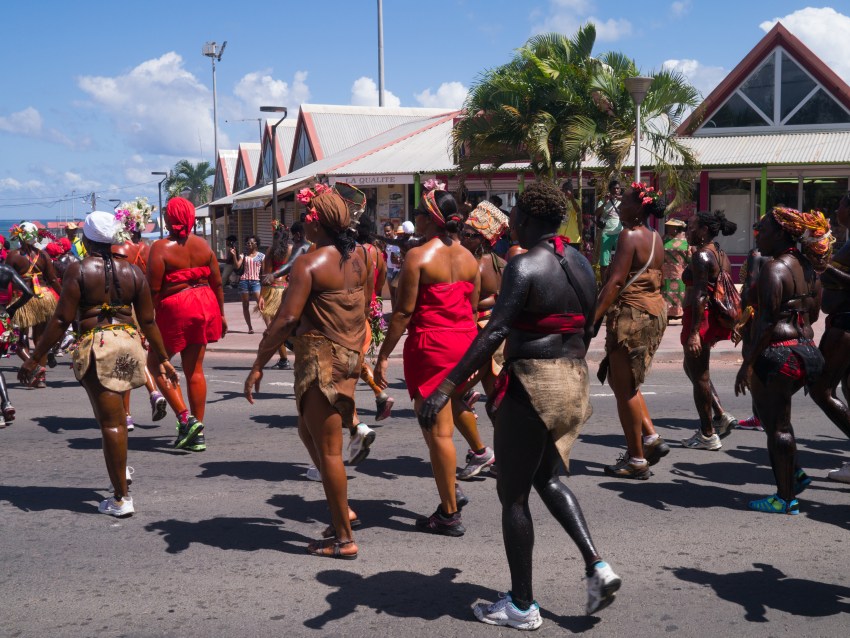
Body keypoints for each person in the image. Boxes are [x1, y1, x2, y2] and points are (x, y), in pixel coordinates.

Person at [419, 182, 621, 629]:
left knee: (513, 496)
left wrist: (446, 386)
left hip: (532, 384)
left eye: (514, 216)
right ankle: (597, 565)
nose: (510, 223)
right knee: (546, 477)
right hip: (572, 383)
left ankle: (523, 606)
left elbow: (494, 331)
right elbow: (587, 327)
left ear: (526, 219)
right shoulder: (581, 264)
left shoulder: (524, 264)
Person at [19, 211, 178, 517]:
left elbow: (62, 319)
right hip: (129, 345)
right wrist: (164, 360)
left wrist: (36, 357)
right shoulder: (133, 272)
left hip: (99, 348)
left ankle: (120, 499)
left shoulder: (79, 270)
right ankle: (120, 471)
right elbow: (148, 321)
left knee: (111, 423)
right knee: (115, 418)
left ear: (87, 238)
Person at [244, 189, 372, 559]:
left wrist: (258, 364)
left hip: (322, 362)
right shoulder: (359, 258)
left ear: (318, 223)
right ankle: (341, 509)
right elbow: (364, 305)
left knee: (330, 452)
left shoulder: (309, 264)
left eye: (308, 216)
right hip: (348, 357)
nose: (304, 222)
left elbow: (285, 319)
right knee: (307, 430)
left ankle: (344, 537)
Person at [373, 188, 481, 536]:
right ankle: (450, 488)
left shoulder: (418, 256)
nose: (416, 217)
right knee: (437, 425)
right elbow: (472, 309)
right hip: (464, 345)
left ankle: (449, 513)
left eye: (419, 212)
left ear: (430, 219)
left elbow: (403, 313)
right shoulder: (469, 258)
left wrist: (383, 355)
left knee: (438, 431)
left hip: (432, 346)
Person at [734, 206, 832, 514]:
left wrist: (748, 364)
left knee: (778, 427)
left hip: (779, 354)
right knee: (775, 419)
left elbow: (767, 322)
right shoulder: (808, 267)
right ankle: (794, 473)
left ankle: (785, 499)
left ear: (779, 234)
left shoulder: (774, 268)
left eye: (763, 230)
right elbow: (813, 314)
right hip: (807, 351)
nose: (758, 235)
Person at [594, 182, 669, 479]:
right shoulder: (656, 237)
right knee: (622, 381)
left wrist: (593, 319)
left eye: (624, 201)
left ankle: (636, 459)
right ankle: (650, 437)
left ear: (638, 207)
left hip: (632, 316)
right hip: (652, 312)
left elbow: (615, 282)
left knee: (625, 389)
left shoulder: (629, 235)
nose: (619, 206)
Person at [147, 197, 226, 451]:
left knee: (155, 363)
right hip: (205, 304)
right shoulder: (204, 245)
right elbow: (217, 283)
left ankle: (185, 419)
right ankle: (197, 431)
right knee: (195, 370)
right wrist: (222, 315)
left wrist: (149, 322)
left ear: (170, 218)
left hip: (177, 308)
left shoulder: (160, 248)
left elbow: (153, 290)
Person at [680, 211, 739, 451]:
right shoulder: (719, 253)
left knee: (700, 377)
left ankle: (707, 434)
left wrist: (695, 332)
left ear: (704, 230)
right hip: (707, 319)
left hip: (699, 320)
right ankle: (720, 415)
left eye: (691, 227)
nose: (687, 231)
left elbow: (701, 294)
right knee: (691, 368)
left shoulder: (702, 255)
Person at [112, 206, 169, 426]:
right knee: (140, 354)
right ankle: (154, 392)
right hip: (145, 306)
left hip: (125, 308)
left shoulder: (119, 248)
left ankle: (126, 414)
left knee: (124, 360)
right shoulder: (148, 249)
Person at [808, 192, 850, 483]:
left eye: (841, 205)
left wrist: (826, 267)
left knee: (821, 389)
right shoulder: (846, 240)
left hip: (846, 326)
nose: (836, 211)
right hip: (840, 321)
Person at [459, 201, 509, 416]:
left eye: (468, 235)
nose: (463, 238)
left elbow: (471, 308)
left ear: (483, 238)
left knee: (452, 393)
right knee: (495, 402)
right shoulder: (502, 263)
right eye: (462, 233)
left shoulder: (473, 265)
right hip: (498, 333)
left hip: (480, 333)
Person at [7, 222, 62, 388]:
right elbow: (53, 280)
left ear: (20, 237)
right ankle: (41, 378)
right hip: (44, 298)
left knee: (17, 339)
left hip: (22, 300)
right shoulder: (43, 255)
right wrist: (64, 296)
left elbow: (6, 280)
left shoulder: (14, 255)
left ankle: (36, 369)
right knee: (41, 339)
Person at [0, 260, 34, 425]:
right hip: (3, 321)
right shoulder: (6, 269)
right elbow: (28, 292)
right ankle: (6, 403)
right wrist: (12, 308)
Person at [258, 221, 292, 370]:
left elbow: (266, 276)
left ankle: (284, 359)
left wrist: (261, 296)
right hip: (288, 290)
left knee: (273, 328)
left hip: (273, 291)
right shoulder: (292, 250)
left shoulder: (271, 250)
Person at [595, 179, 623, 282]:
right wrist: (605, 203)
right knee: (604, 262)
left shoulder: (622, 201)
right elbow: (596, 213)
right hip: (606, 234)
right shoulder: (603, 201)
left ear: (620, 190)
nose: (616, 190)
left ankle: (619, 283)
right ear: (610, 190)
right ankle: (604, 284)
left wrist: (621, 198)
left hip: (619, 233)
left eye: (618, 188)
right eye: (614, 188)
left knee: (621, 260)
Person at [235, 236, 264, 334]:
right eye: (248, 243)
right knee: (245, 305)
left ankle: (269, 326)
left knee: (261, 304)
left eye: (251, 243)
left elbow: (263, 272)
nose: (249, 244)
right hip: (244, 281)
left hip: (256, 282)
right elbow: (237, 266)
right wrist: (234, 256)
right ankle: (250, 327)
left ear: (256, 244)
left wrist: (264, 283)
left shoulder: (261, 256)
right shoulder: (243, 255)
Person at [662, 218, 688, 324]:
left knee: (679, 294)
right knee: (666, 293)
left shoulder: (685, 240)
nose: (669, 228)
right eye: (668, 226)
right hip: (665, 272)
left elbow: (689, 256)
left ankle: (680, 314)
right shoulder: (664, 239)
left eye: (671, 227)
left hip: (679, 272)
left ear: (677, 228)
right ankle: (666, 315)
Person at [558, 180, 582, 245]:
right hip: (560, 237)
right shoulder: (558, 201)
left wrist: (571, 197)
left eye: (568, 189)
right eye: (565, 189)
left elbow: (578, 210)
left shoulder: (577, 201)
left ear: (572, 190)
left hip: (573, 237)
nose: (567, 191)